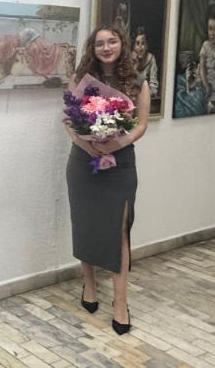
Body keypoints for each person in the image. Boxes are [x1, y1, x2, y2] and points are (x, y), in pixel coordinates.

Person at [64, 23, 150, 335]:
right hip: (83, 162)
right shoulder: (81, 79)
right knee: (85, 225)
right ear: (93, 48)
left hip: (120, 164)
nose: (106, 47)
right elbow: (69, 120)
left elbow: (140, 124)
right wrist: (86, 144)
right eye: (99, 43)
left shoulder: (137, 80)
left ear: (121, 44)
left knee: (119, 232)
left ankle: (120, 303)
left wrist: (116, 144)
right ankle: (89, 285)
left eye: (112, 41)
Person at [131, 27, 159, 98]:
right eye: (137, 43)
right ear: (134, 46)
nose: (140, 48)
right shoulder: (129, 59)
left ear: (147, 46)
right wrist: (135, 65)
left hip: (146, 96)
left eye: (143, 43)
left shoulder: (151, 58)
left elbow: (154, 86)